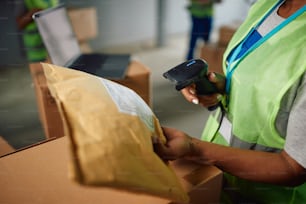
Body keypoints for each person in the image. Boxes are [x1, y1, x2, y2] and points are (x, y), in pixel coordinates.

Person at [154, 0, 306, 203]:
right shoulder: (266, 5)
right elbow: (262, 79)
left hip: (265, 195)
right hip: (220, 175)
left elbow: (293, 167)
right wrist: (219, 86)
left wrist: (195, 149)